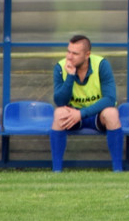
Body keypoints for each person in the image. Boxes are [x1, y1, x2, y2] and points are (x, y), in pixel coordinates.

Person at [49, 35, 122, 172]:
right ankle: (56, 171)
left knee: (112, 113)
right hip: (72, 115)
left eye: (75, 53)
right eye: (68, 51)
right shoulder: (60, 67)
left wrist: (82, 114)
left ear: (87, 54)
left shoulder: (101, 65)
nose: (70, 57)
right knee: (59, 113)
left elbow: (110, 99)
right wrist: (70, 76)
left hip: (96, 114)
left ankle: (118, 170)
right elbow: (59, 101)